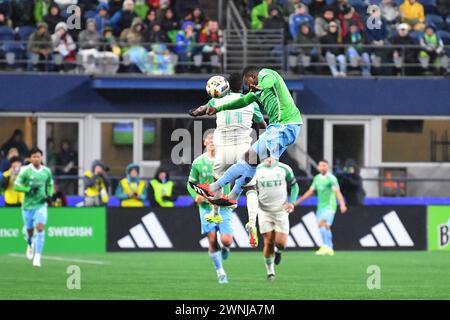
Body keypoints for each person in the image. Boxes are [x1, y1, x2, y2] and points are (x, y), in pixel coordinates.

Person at [190, 66, 302, 245]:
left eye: (248, 82)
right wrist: (218, 109)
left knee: (248, 158)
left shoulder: (266, 74)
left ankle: (213, 187)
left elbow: (268, 82)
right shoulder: (255, 95)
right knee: (251, 165)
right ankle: (233, 197)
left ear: (252, 76)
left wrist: (258, 87)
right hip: (279, 128)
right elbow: (241, 102)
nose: (247, 86)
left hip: (285, 125)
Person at [189, 73, 267, 247]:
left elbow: (202, 109)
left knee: (218, 181)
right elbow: (262, 126)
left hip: (223, 150)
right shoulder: (251, 102)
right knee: (251, 187)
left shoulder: (217, 100)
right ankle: (252, 222)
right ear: (244, 86)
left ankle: (215, 212)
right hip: (244, 149)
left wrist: (194, 112)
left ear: (226, 86)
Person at [187, 133, 232, 284]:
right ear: (204, 142)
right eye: (209, 139)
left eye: (215, 139)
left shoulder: (226, 160)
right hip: (206, 207)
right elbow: (190, 182)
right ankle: (220, 273)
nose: (212, 141)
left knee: (226, 240)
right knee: (212, 239)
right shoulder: (198, 162)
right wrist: (195, 195)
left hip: (223, 206)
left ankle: (225, 248)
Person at [256, 158, 299, 281]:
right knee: (268, 241)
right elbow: (250, 189)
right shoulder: (256, 170)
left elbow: (294, 186)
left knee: (281, 243)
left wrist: (292, 202)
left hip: (281, 211)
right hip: (264, 211)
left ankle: (278, 251)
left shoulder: (284, 168)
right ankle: (270, 272)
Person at [295, 160, 347, 256]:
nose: (322, 167)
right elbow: (310, 192)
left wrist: (342, 204)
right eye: (321, 166)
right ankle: (330, 247)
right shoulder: (317, 178)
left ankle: (324, 246)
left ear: (328, 167)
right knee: (326, 226)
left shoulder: (332, 179)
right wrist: (298, 201)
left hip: (330, 206)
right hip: (321, 207)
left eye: (324, 165)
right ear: (318, 167)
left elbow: (338, 192)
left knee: (320, 224)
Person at [14, 148, 54, 267]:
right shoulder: (25, 171)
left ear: (41, 158)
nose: (36, 159)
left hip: (41, 204)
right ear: (30, 159)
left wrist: (49, 195)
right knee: (30, 231)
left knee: (40, 227)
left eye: (38, 156)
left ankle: (38, 257)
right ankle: (30, 244)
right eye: (34, 157)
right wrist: (28, 189)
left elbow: (50, 184)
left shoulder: (46, 171)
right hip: (27, 206)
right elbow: (16, 186)